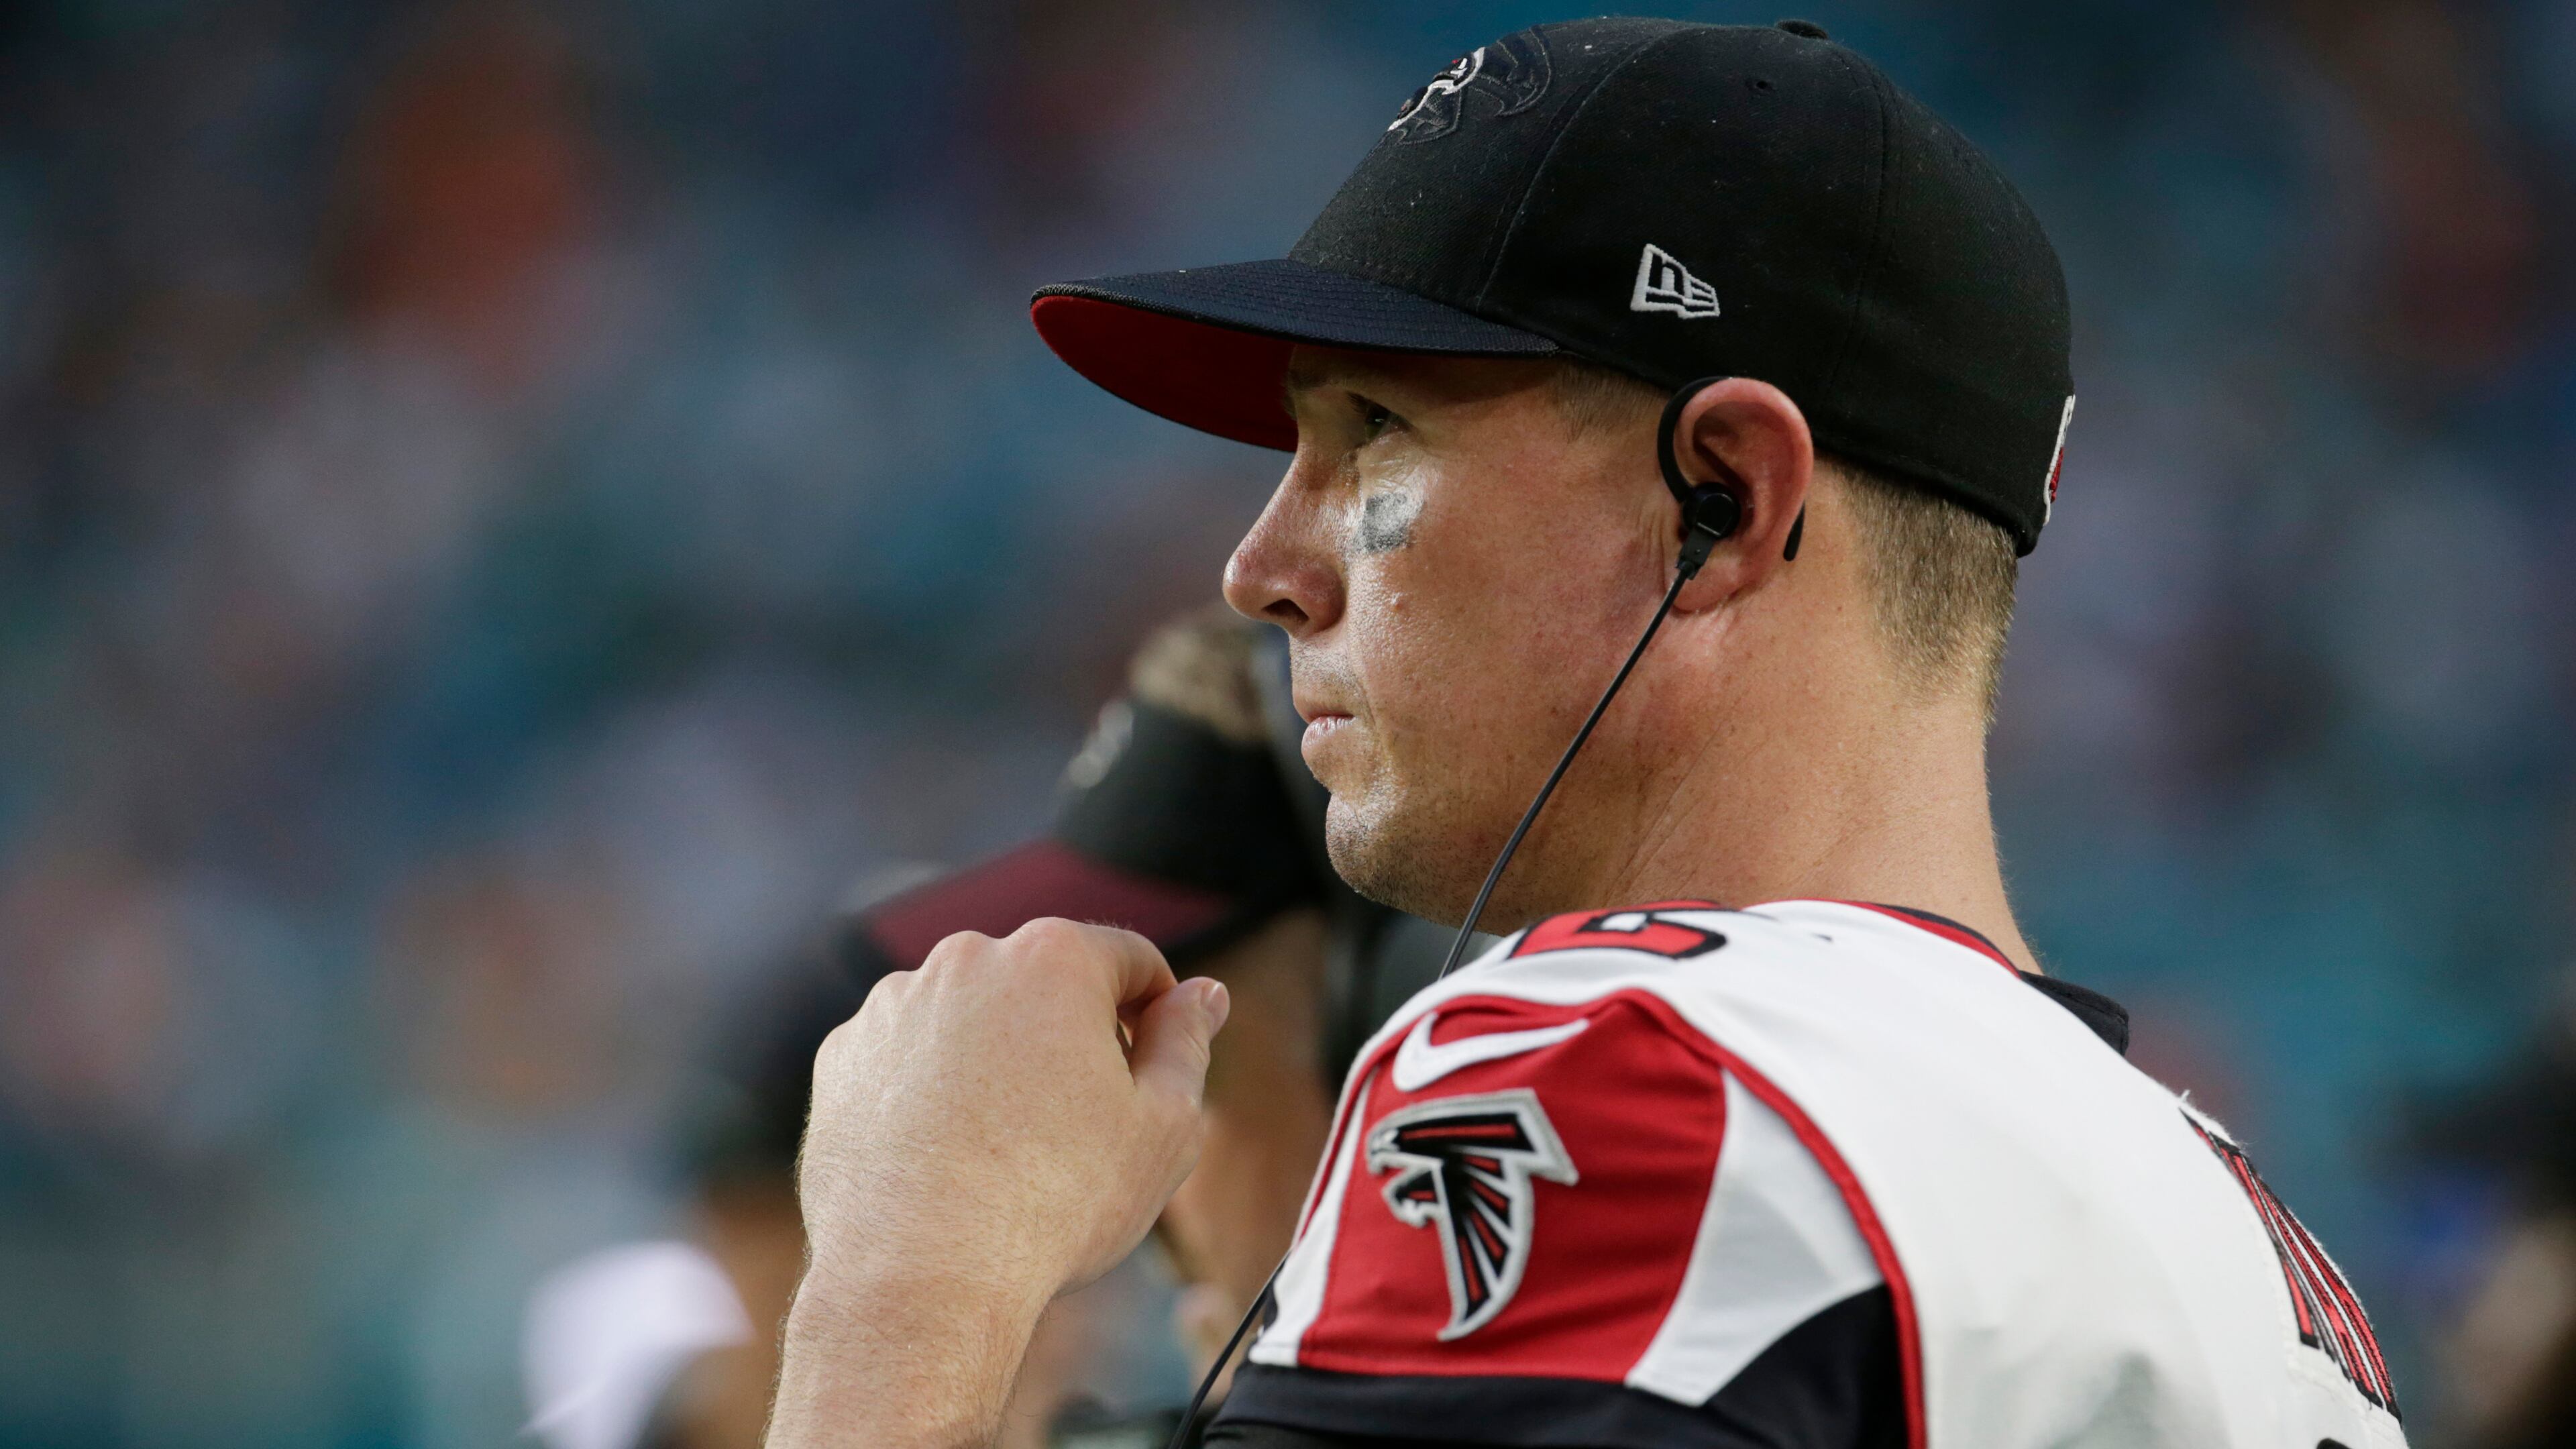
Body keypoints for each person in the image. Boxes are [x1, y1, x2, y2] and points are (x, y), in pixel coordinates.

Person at [767, 18, 2407, 1449]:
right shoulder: (2264, 1251)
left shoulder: (1633, 1059)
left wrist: (907, 1288)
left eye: (1374, 434)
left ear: (1732, 495)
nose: (1259, 567)